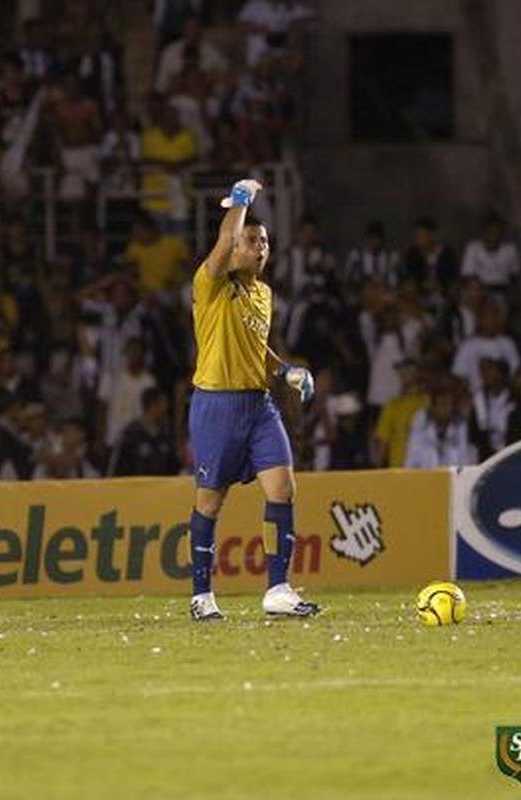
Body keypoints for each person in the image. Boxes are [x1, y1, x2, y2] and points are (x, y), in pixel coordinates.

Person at [186, 177, 318, 621]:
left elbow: (255, 346)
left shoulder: (263, 293)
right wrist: (239, 202)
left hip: (258, 405)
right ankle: (201, 595)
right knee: (210, 501)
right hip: (216, 405)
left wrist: (285, 369)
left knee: (283, 488)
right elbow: (224, 239)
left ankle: (278, 589)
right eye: (250, 241)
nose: (259, 248)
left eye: (263, 241)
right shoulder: (209, 284)